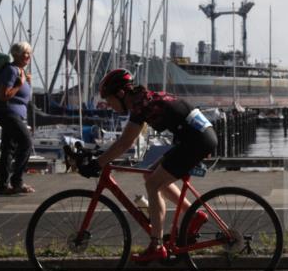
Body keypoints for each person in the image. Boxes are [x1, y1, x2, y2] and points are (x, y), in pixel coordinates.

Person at [80, 69, 217, 260]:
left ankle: (157, 246)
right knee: (150, 176)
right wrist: (100, 159)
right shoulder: (143, 99)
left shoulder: (140, 105)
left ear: (121, 94)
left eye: (109, 99)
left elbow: (124, 143)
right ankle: (194, 215)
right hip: (197, 135)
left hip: (196, 139)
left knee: (153, 184)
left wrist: (97, 163)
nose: (109, 105)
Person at [0, 42, 34, 195]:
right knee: (26, 142)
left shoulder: (20, 71)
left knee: (8, 149)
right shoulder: (11, 71)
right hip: (7, 112)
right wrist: (19, 84)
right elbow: (3, 95)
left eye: (29, 53)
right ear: (16, 54)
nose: (28, 56)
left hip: (14, 113)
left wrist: (25, 82)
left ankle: (2, 186)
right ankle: (17, 182)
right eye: (25, 53)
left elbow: (22, 98)